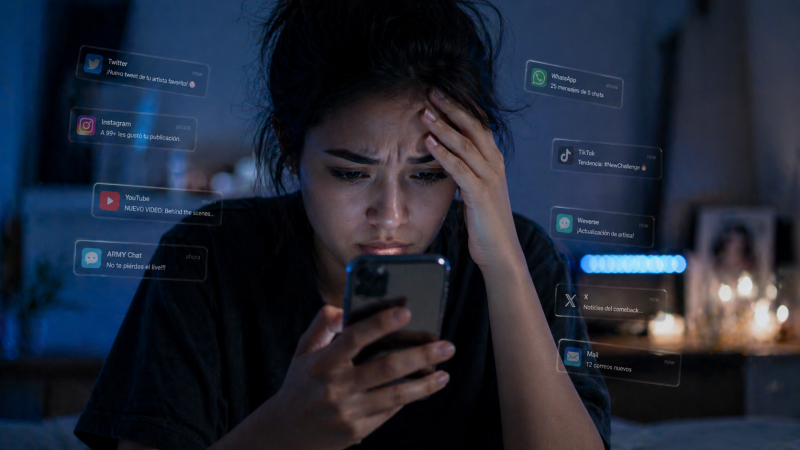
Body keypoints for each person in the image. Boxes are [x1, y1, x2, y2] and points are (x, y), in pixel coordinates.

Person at [74, 1, 611, 449]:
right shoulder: (207, 254)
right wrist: (282, 433)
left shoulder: (524, 261)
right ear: (289, 146)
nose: (392, 215)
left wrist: (504, 264)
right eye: (352, 172)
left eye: (428, 174)